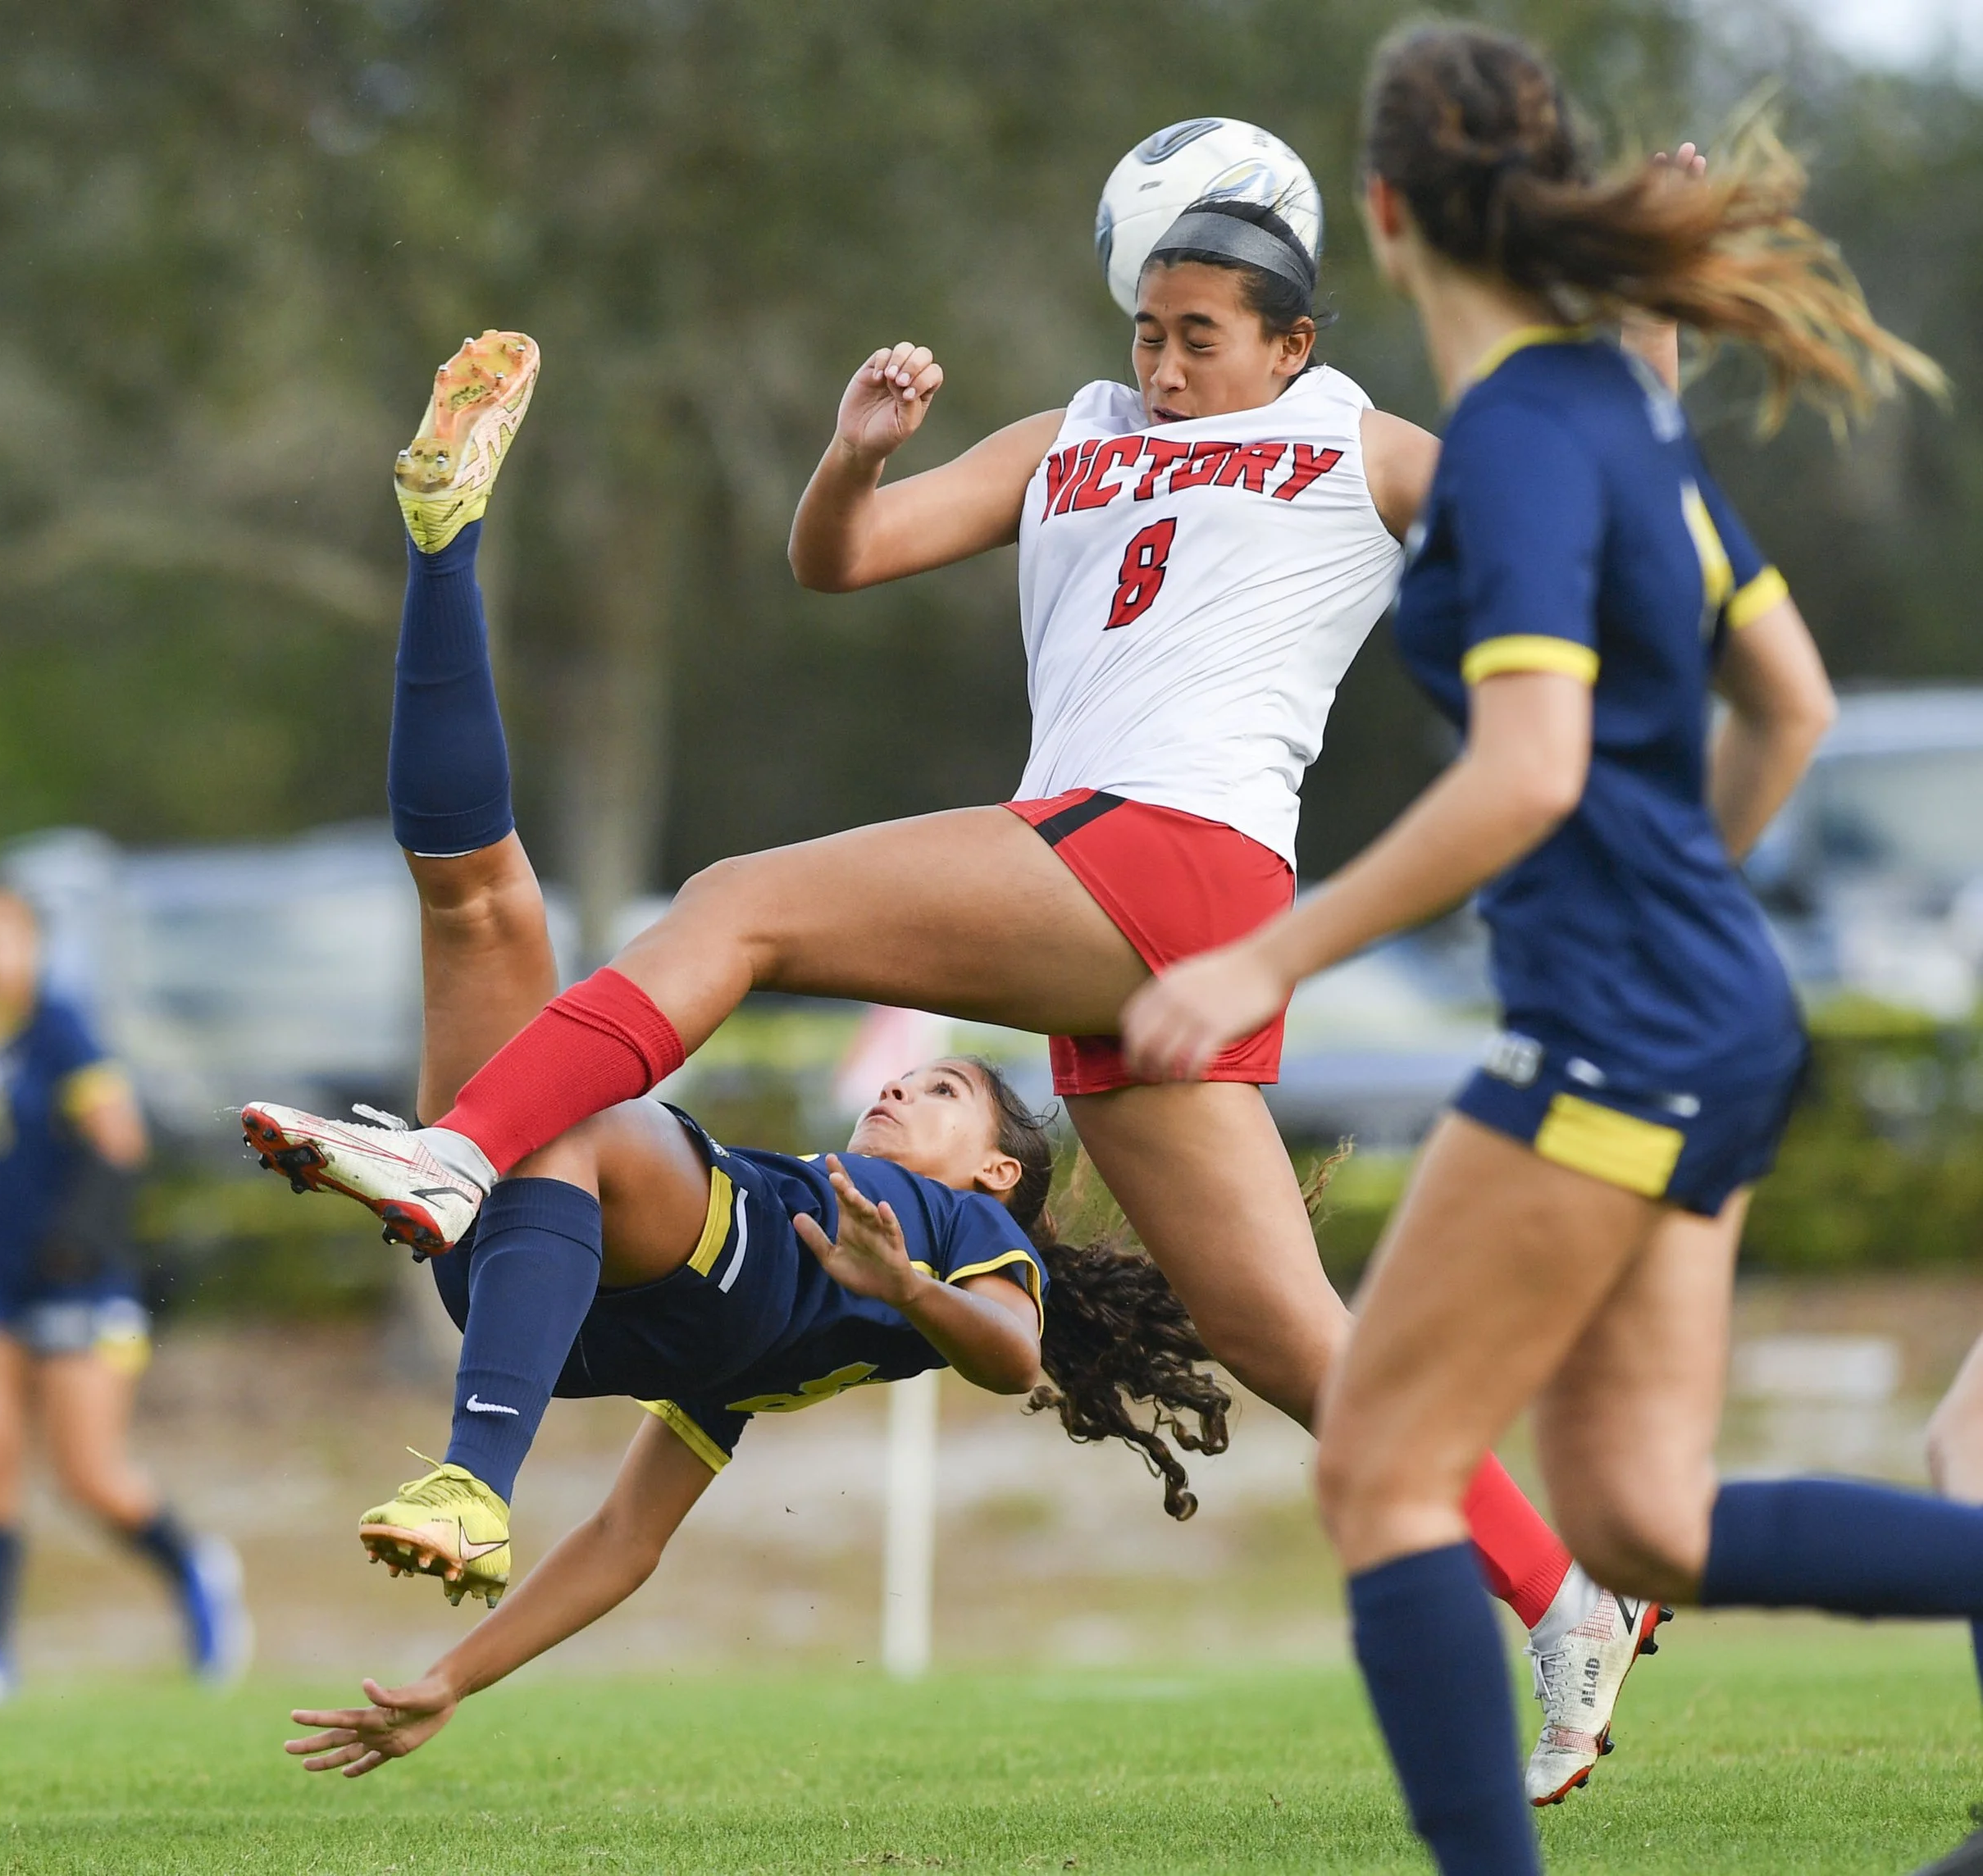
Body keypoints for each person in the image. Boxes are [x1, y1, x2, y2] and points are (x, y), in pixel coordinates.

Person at [239, 166, 1670, 1798]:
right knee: (1280, 1331)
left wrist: (1644, 314)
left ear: (1292, 343)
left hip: (1169, 851)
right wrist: (852, 459)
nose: (1165, 366)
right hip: (1122, 906)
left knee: (740, 901)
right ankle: (1563, 1595)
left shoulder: (1362, 441)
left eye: (1200, 337)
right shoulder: (1068, 434)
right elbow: (838, 560)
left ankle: (465, 1150)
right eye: (1147, 330)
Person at [1117, 24, 1976, 1875]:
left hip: (1616, 1032)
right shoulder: (1603, 410)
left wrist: (1278, 954)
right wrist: (1677, 887)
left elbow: (1528, 770)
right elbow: (1794, 701)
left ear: (1385, 216)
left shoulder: (1512, 437)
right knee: (1643, 1516)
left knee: (1381, 1465)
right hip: (1716, 1011)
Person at [0, 887, 250, 1707]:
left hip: (76, 1276)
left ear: (35, 944)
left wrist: (77, 1237)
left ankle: (196, 1570)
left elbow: (120, 1137)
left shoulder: (60, 1029)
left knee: (87, 1472)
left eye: (5, 937)